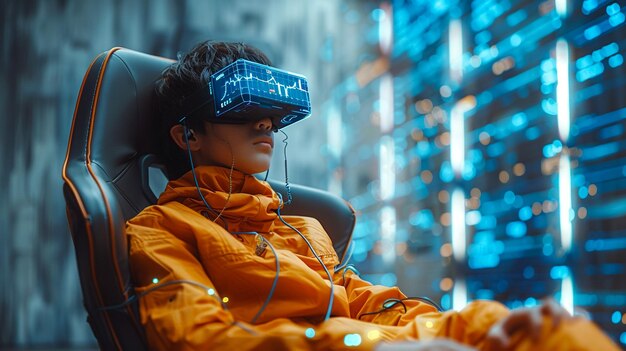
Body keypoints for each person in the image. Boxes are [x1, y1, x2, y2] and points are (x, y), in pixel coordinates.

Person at [125, 40, 620, 351]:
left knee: (531, 328)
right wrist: (363, 344)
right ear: (187, 136)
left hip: (380, 341)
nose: (265, 123)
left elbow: (363, 302)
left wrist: (456, 328)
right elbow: (198, 340)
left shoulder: (299, 227)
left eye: (271, 111)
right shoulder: (160, 231)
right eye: (243, 105)